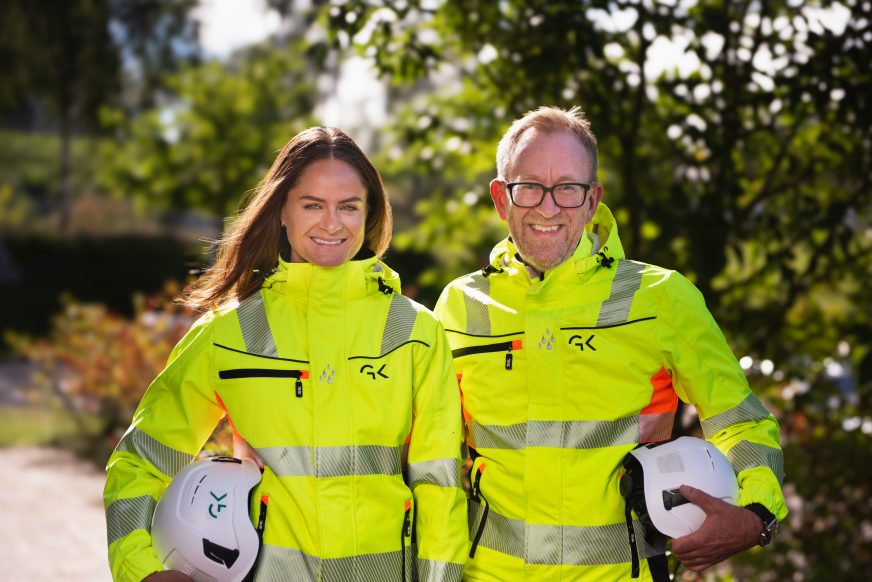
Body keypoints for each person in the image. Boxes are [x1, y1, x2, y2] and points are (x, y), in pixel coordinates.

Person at [434, 107, 786, 581]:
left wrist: (756, 515)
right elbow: (434, 454)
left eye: (568, 188)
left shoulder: (661, 297)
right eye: (529, 186)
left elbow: (741, 422)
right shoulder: (459, 305)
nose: (548, 206)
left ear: (592, 199)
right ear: (502, 199)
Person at [104, 127, 468, 582]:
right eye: (312, 204)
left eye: (349, 206)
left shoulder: (416, 331)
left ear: (369, 212)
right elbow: (140, 461)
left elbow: (440, 488)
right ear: (281, 211)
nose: (332, 223)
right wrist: (141, 569)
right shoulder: (227, 332)